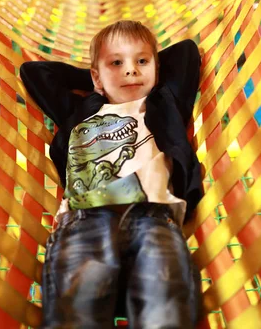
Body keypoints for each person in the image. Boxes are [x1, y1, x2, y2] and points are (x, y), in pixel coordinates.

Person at [21, 21, 204, 328]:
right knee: (77, 312)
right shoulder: (81, 110)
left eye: (141, 61)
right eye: (117, 62)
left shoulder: (165, 102)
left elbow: (186, 52)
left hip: (154, 218)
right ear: (96, 75)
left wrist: (126, 70)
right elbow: (33, 71)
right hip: (86, 219)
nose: (130, 70)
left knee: (165, 308)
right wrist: (98, 79)